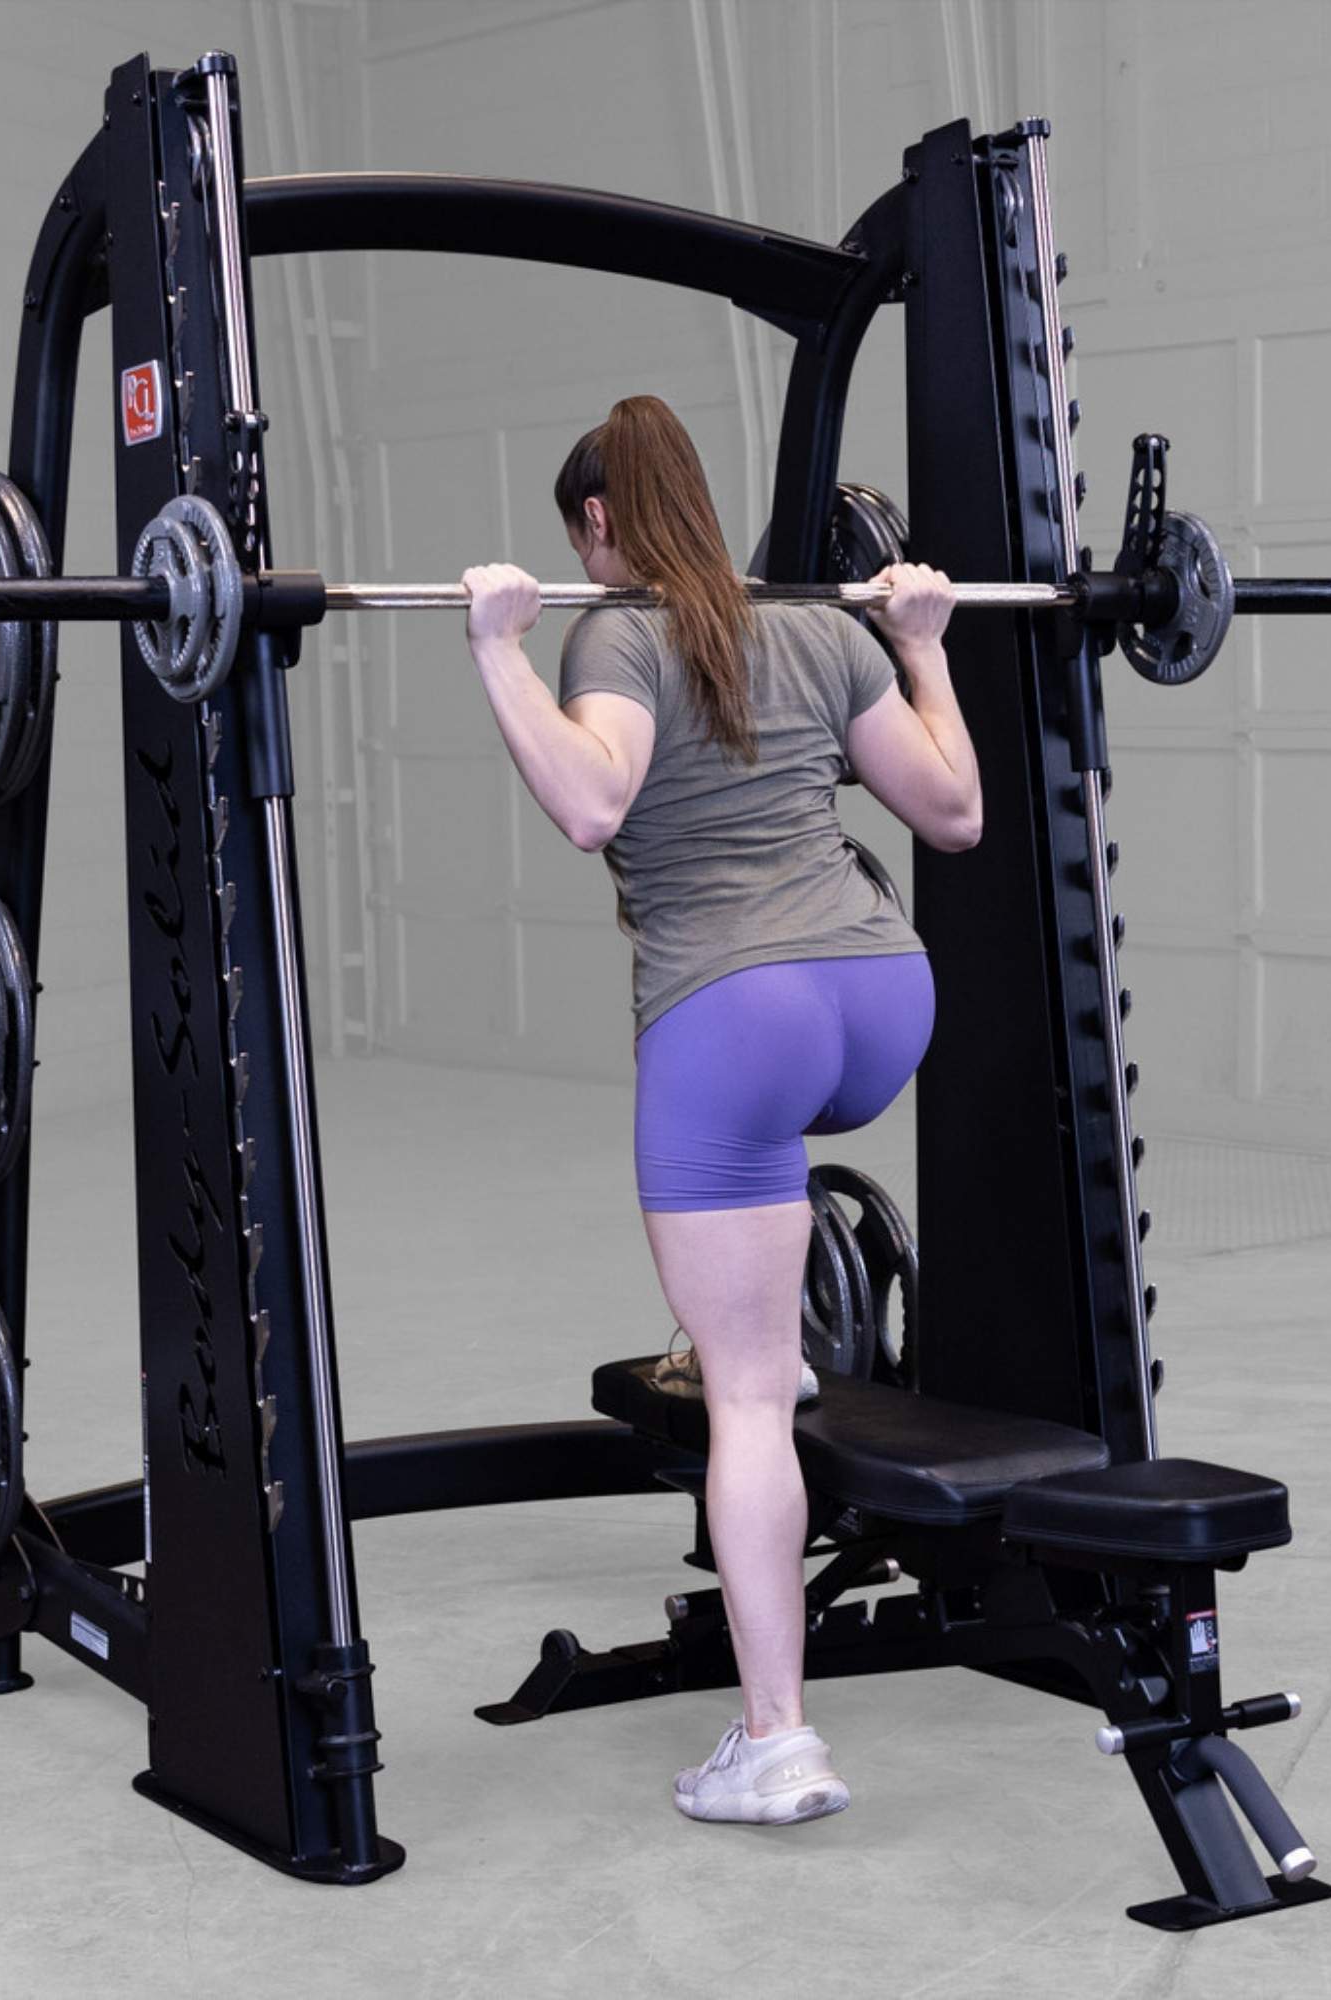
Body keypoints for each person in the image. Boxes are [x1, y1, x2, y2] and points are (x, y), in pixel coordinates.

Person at [460, 394, 979, 1828]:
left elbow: (589, 802)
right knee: (755, 1287)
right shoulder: (825, 629)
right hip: (881, 1002)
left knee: (743, 1401)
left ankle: (776, 1741)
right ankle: (756, 1331)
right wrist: (926, 649)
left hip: (734, 1018)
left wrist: (498, 646)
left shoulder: (613, 627)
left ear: (601, 526)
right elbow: (952, 815)